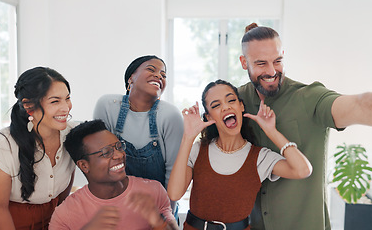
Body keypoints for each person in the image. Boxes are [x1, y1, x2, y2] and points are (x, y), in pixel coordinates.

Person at [237, 23, 372, 230]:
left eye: (277, 61)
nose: (271, 71)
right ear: (243, 62)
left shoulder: (309, 97)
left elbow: (359, 106)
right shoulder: (236, 101)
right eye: (261, 63)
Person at [167, 79, 312, 230]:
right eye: (216, 105)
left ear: (241, 105)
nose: (226, 107)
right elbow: (174, 194)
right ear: (209, 117)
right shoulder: (197, 150)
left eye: (231, 100)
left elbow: (303, 170)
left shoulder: (260, 157)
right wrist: (188, 138)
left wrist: (271, 131)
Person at [0, 67, 76, 230]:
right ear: (29, 106)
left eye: (67, 98)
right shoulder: (1, 147)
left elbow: (65, 189)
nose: (66, 107)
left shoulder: (73, 135)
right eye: (55, 101)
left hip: (48, 219)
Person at [93, 55, 183, 217]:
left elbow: (173, 173)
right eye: (151, 69)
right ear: (130, 78)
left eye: (163, 75)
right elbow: (100, 165)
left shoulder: (170, 115)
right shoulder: (107, 106)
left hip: (159, 209)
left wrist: (165, 218)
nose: (159, 76)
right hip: (115, 207)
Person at [49, 119, 178, 230]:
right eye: (106, 152)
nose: (119, 155)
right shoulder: (65, 214)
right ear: (84, 165)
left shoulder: (154, 191)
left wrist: (158, 221)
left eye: (119, 146)